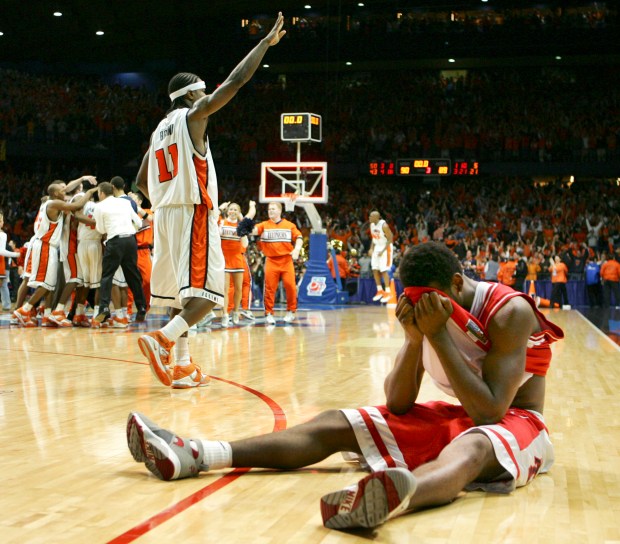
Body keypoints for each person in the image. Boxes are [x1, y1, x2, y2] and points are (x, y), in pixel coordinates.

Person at [126, 241, 563, 530]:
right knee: (339, 421)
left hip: (515, 421)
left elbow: (489, 412)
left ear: (454, 284)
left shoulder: (509, 312)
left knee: (473, 447)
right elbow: (398, 402)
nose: (419, 306)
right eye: (410, 299)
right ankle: (197, 454)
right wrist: (416, 338)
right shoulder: (425, 307)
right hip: (463, 413)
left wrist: (440, 335)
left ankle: (393, 498)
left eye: (429, 299)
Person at [134, 13, 286, 387]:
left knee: (179, 296)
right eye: (201, 93)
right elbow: (234, 83)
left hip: (165, 214)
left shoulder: (158, 131)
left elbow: (140, 180)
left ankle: (183, 365)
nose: (205, 99)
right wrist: (263, 45)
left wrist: (167, 198)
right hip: (193, 212)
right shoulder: (191, 116)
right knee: (208, 294)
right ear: (190, 95)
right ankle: (162, 339)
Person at [13, 182, 98, 326]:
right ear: (56, 194)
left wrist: (83, 178)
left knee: (50, 284)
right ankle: (23, 310)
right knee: (45, 284)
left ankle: (47, 315)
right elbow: (76, 206)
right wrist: (90, 193)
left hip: (50, 246)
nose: (65, 191)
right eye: (62, 190)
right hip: (45, 245)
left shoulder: (53, 203)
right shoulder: (53, 204)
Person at [92, 182, 147, 326]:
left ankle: (104, 307)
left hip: (115, 241)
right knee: (133, 276)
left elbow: (101, 229)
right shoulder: (125, 203)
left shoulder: (99, 206)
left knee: (107, 276)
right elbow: (139, 223)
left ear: (102, 193)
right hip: (130, 241)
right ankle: (141, 307)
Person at [251, 202, 303, 324]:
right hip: (271, 260)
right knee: (269, 288)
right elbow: (253, 231)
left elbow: (299, 237)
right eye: (269, 209)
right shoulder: (264, 225)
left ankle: (291, 311)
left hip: (286, 260)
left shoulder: (289, 225)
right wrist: (247, 217)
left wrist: (296, 249)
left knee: (290, 286)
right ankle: (269, 313)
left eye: (273, 209)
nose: (270, 211)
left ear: (279, 211)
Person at [219, 200, 256, 327]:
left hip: (237, 260)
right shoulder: (222, 223)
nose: (232, 211)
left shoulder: (241, 226)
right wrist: (220, 208)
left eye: (235, 209)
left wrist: (243, 232)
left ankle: (235, 311)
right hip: (224, 259)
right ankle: (225, 314)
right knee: (225, 289)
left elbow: (245, 244)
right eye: (231, 209)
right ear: (227, 211)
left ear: (239, 213)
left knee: (238, 289)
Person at [368, 210, 394, 304]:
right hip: (377, 247)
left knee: (383, 270)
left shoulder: (384, 225)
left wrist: (383, 251)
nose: (369, 218)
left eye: (371, 216)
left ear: (377, 217)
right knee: (374, 269)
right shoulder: (371, 225)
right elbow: (374, 238)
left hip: (385, 247)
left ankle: (388, 292)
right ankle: (380, 290)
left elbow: (391, 237)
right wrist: (371, 248)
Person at [0, 211, 20, 311]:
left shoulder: (3, 235)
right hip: (1, 263)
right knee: (3, 286)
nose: (2, 222)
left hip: (4, 264)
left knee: (3, 285)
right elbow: (1, 251)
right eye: (1, 220)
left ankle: (6, 306)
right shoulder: (2, 235)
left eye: (2, 220)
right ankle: (6, 306)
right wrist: (17, 254)